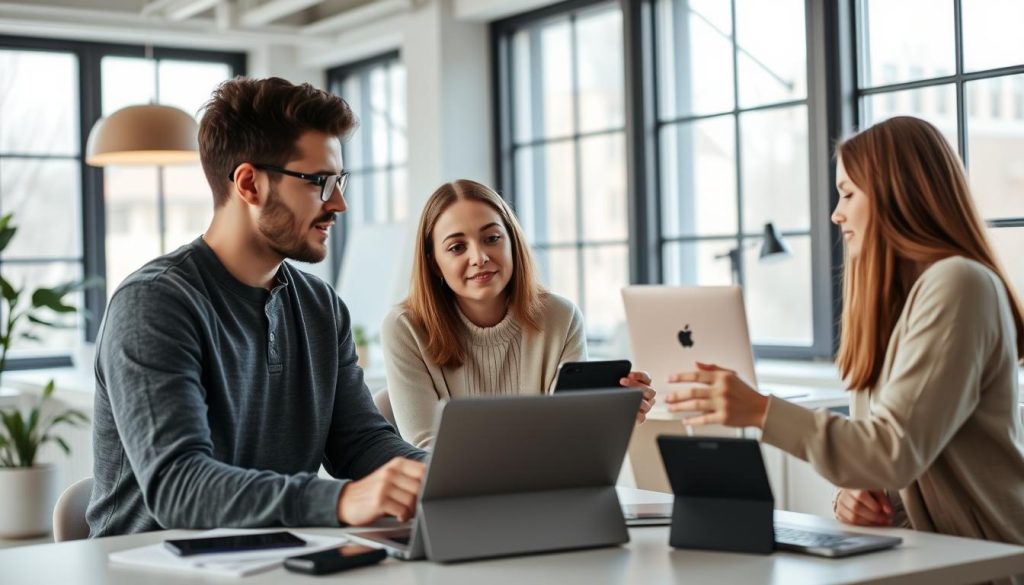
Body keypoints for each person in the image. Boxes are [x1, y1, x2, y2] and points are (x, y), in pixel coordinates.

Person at [88, 77, 426, 537]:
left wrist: (444, 477)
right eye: (321, 183)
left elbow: (360, 442)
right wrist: (344, 499)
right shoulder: (154, 304)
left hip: (277, 561)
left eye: (339, 182)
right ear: (249, 183)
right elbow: (179, 487)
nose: (339, 203)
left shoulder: (320, 306)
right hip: (147, 569)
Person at [665, 116, 1024, 547]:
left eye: (848, 194)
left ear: (898, 197)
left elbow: (892, 451)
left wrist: (761, 410)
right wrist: (850, 497)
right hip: (926, 556)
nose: (837, 215)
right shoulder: (898, 311)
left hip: (991, 563)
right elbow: (885, 463)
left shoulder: (959, 284)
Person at [381, 179, 656, 448]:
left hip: (543, 487)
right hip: (453, 492)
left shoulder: (561, 317)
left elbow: (572, 440)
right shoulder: (405, 327)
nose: (479, 257)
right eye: (457, 247)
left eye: (492, 239)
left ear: (512, 242)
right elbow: (428, 450)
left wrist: (612, 417)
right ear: (434, 263)